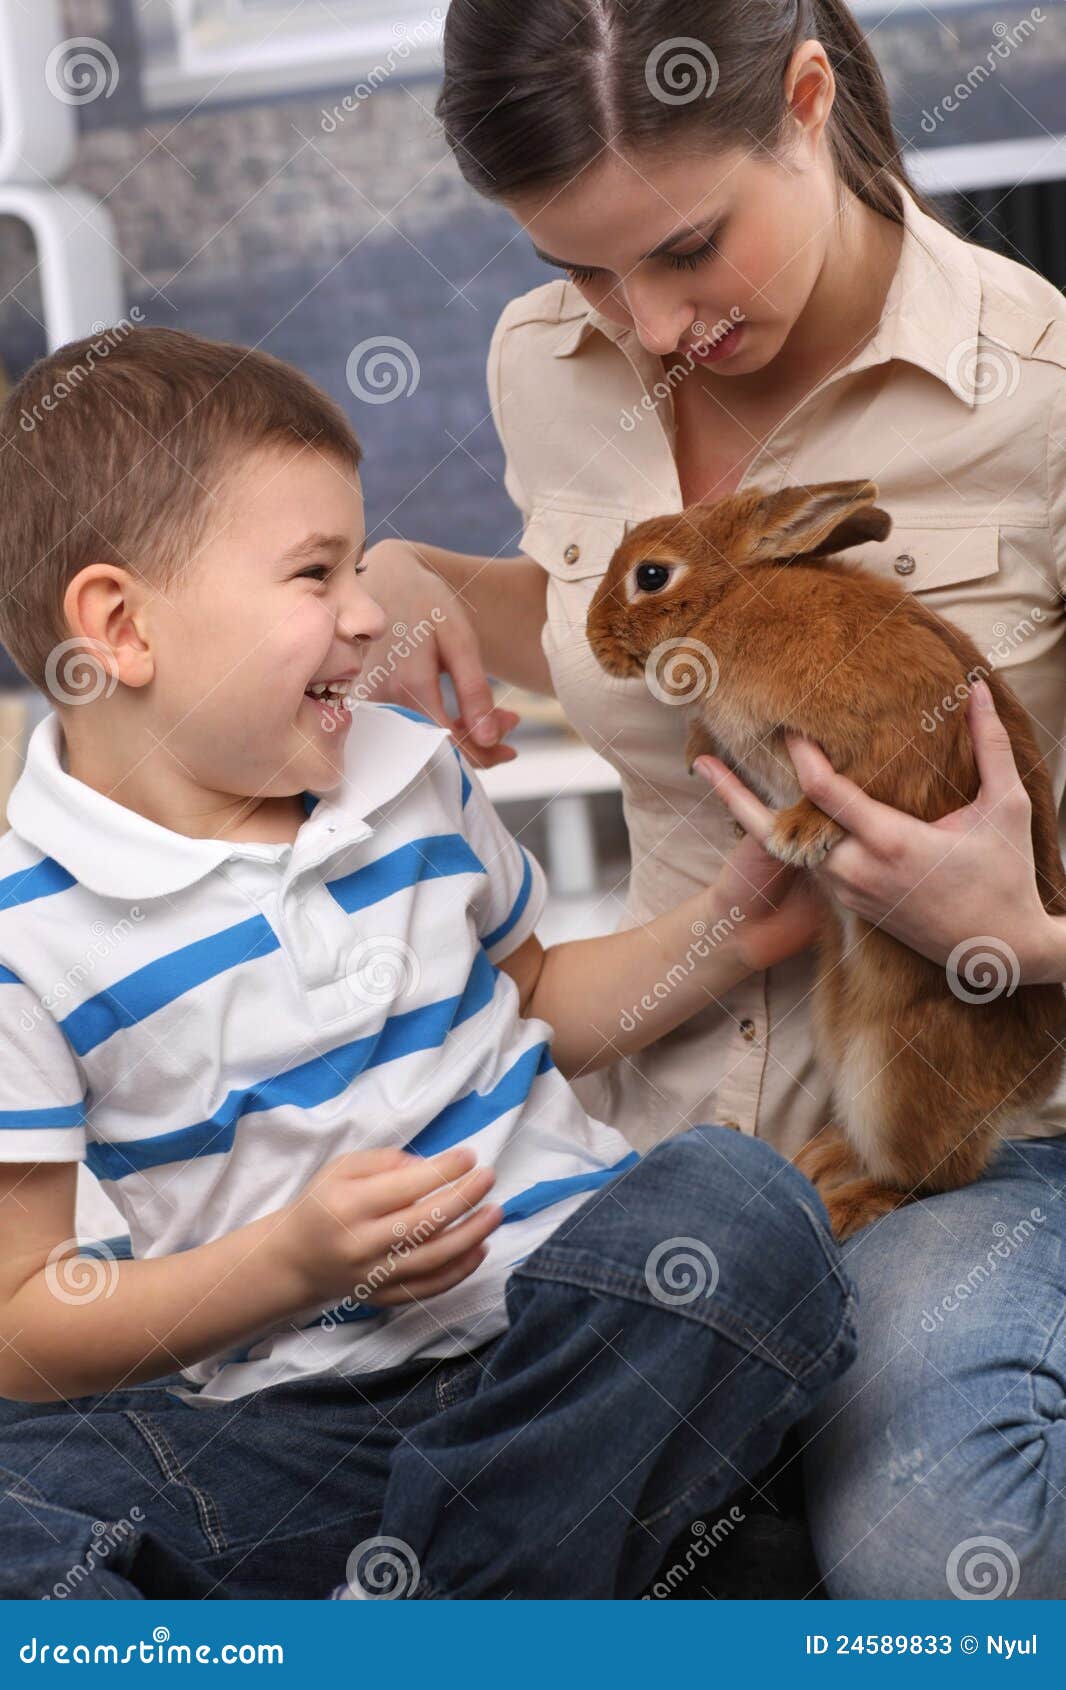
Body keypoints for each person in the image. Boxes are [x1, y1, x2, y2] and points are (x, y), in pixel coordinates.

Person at [358, 0, 1066, 1596]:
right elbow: (589, 628)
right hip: (646, 1117)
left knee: (931, 1548)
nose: (643, 319)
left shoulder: (1035, 393)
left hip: (968, 1124)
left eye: (684, 249)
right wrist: (400, 581)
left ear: (805, 100)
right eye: (578, 267)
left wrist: (1015, 936)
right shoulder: (544, 364)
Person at [0, 325, 856, 1600]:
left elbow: (533, 1008)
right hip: (297, 1431)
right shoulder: (29, 934)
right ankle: (503, 1579)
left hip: (569, 1345)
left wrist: (731, 925)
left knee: (738, 1211)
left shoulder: (410, 776)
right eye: (314, 573)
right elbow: (26, 1321)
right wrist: (296, 1264)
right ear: (120, 627)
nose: (365, 610)